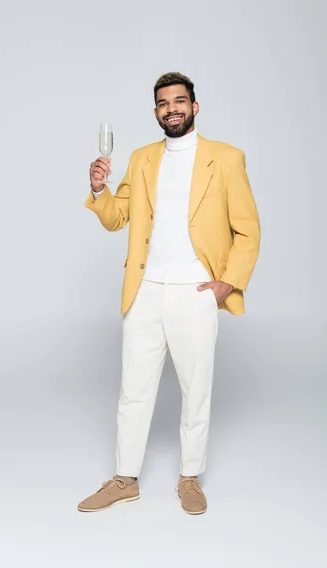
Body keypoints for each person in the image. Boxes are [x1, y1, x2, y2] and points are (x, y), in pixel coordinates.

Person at [78, 72, 261, 515]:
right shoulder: (142, 159)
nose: (172, 108)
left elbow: (248, 230)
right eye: (163, 103)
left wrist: (226, 282)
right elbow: (117, 217)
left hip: (194, 292)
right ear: (156, 112)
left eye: (180, 101)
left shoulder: (227, 158)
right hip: (144, 290)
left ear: (194, 107)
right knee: (133, 389)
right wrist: (99, 190)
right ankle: (125, 479)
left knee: (195, 388)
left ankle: (190, 477)